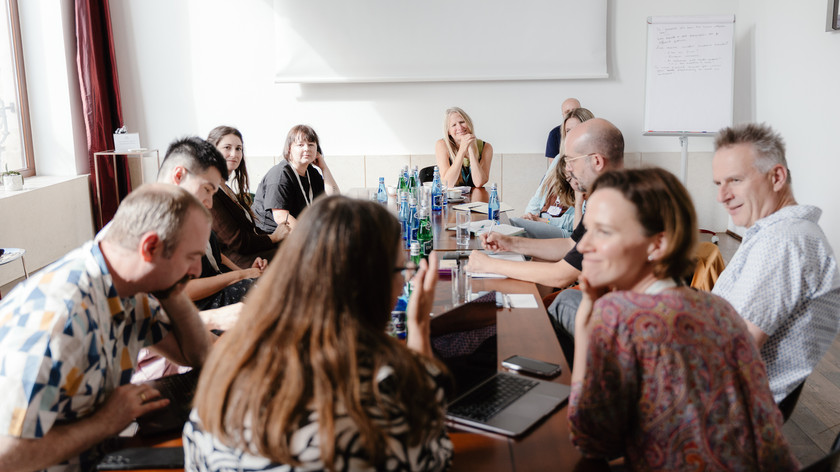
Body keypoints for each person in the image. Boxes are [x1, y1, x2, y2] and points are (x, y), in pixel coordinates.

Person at [183, 196, 452, 471]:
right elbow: (435, 455)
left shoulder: (228, 364)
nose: (405, 279)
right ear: (373, 285)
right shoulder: (384, 384)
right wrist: (419, 330)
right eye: (401, 269)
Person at [567, 167, 798, 470]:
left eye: (604, 231)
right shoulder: (720, 309)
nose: (582, 246)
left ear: (658, 244)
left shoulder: (619, 313)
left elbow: (590, 439)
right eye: (587, 229)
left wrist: (586, 316)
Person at [0, 184, 214, 471]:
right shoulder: (60, 319)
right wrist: (104, 423)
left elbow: (195, 355)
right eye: (192, 257)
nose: (198, 271)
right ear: (150, 247)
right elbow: (6, 458)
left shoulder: (126, 289)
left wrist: (173, 287)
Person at [711, 123, 840, 403]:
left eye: (735, 180)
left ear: (777, 177)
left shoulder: (784, 241)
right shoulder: (776, 234)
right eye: (718, 184)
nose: (722, 196)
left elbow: (730, 352)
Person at [467, 118, 624, 289]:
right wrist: (510, 243)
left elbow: (562, 275)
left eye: (572, 160)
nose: (568, 169)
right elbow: (571, 245)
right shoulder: (606, 195)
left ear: (596, 161)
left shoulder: (613, 208)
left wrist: (489, 265)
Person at [156, 136, 263, 313]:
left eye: (213, 193)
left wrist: (246, 272)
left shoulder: (189, 215)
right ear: (179, 176)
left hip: (218, 288)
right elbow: (183, 290)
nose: (210, 203)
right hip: (201, 308)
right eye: (206, 189)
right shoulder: (161, 224)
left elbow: (217, 256)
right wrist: (240, 275)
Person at [206, 126, 287, 268]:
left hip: (254, 254)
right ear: (212, 150)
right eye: (227, 148)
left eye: (238, 149)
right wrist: (273, 237)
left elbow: (252, 232)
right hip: (239, 263)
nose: (234, 154)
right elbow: (237, 242)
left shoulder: (226, 189)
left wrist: (280, 236)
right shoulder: (210, 192)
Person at [514, 107, 594, 239]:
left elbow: (581, 223)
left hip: (562, 229)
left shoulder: (590, 168)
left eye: (577, 130)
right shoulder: (558, 160)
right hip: (541, 220)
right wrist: (529, 216)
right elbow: (538, 196)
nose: (572, 135)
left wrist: (544, 221)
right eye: (568, 131)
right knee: (511, 225)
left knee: (514, 227)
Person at [252, 124, 340, 232]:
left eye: (311, 144)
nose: (307, 149)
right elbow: (281, 216)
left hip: (297, 231)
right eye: (300, 145)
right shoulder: (280, 175)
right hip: (270, 235)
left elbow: (335, 199)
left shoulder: (311, 172)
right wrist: (310, 237)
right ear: (289, 149)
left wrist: (324, 168)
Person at [435, 107, 493, 188]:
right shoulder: (442, 145)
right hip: (450, 198)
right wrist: (462, 150)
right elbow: (447, 183)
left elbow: (479, 182)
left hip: (476, 199)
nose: (460, 127)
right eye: (454, 125)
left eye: (462, 122)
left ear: (469, 124)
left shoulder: (486, 147)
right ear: (448, 132)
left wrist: (471, 150)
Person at [544, 97, 582, 164]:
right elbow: (554, 166)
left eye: (575, 110)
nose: (571, 114)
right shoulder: (554, 134)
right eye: (567, 112)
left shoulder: (592, 131)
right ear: (563, 115)